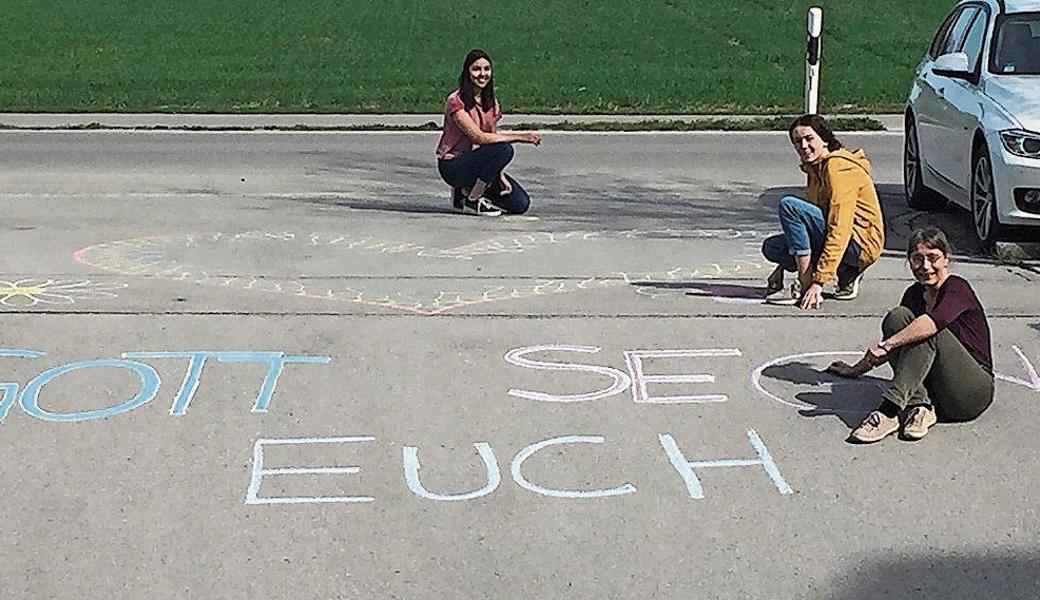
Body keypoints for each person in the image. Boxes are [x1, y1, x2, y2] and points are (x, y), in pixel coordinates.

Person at [827, 228, 995, 443]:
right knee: (898, 318)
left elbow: (931, 325)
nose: (925, 266)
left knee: (925, 329)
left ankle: (889, 412)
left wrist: (887, 345)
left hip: (971, 392)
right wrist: (856, 369)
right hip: (937, 394)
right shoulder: (914, 294)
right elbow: (901, 341)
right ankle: (921, 408)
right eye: (917, 259)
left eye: (933, 258)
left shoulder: (957, 288)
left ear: (946, 259)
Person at [762, 114, 885, 308]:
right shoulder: (814, 169)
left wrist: (818, 282)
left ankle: (808, 282)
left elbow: (840, 227)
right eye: (797, 141)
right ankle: (846, 271)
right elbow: (811, 227)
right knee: (773, 248)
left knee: (790, 206)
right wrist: (781, 267)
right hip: (843, 239)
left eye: (809, 139)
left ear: (825, 139)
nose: (803, 146)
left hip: (860, 244)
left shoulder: (837, 167)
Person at [435, 49, 542, 217]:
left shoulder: (491, 102)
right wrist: (522, 137)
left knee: (520, 203)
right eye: (476, 69)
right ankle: (472, 200)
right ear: (467, 72)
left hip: (477, 165)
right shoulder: (456, 101)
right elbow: (479, 137)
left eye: (486, 69)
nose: (482, 74)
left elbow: (493, 138)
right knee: (505, 149)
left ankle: (463, 194)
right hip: (454, 166)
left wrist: (499, 175)